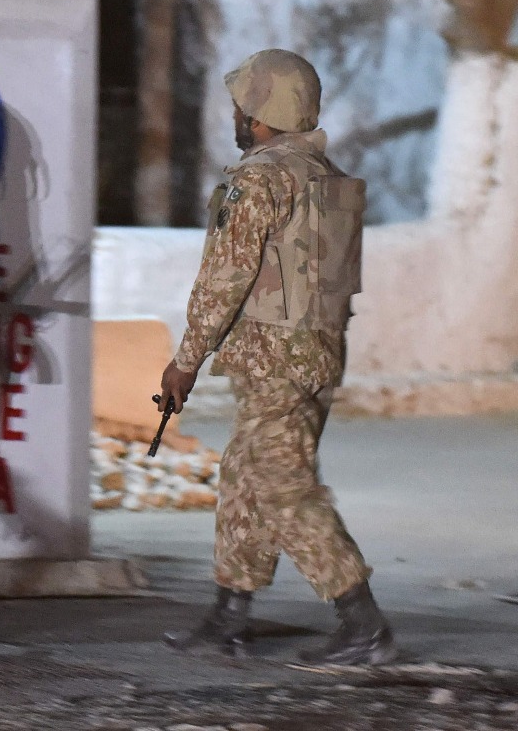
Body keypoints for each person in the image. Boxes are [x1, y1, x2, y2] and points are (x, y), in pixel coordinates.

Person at [160, 48, 395, 666]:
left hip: (275, 362)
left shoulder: (258, 179)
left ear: (261, 113)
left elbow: (225, 278)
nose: (236, 117)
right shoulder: (327, 178)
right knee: (245, 476)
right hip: (317, 354)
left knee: (283, 486)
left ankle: (362, 620)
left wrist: (186, 359)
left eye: (242, 106)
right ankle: (229, 613)